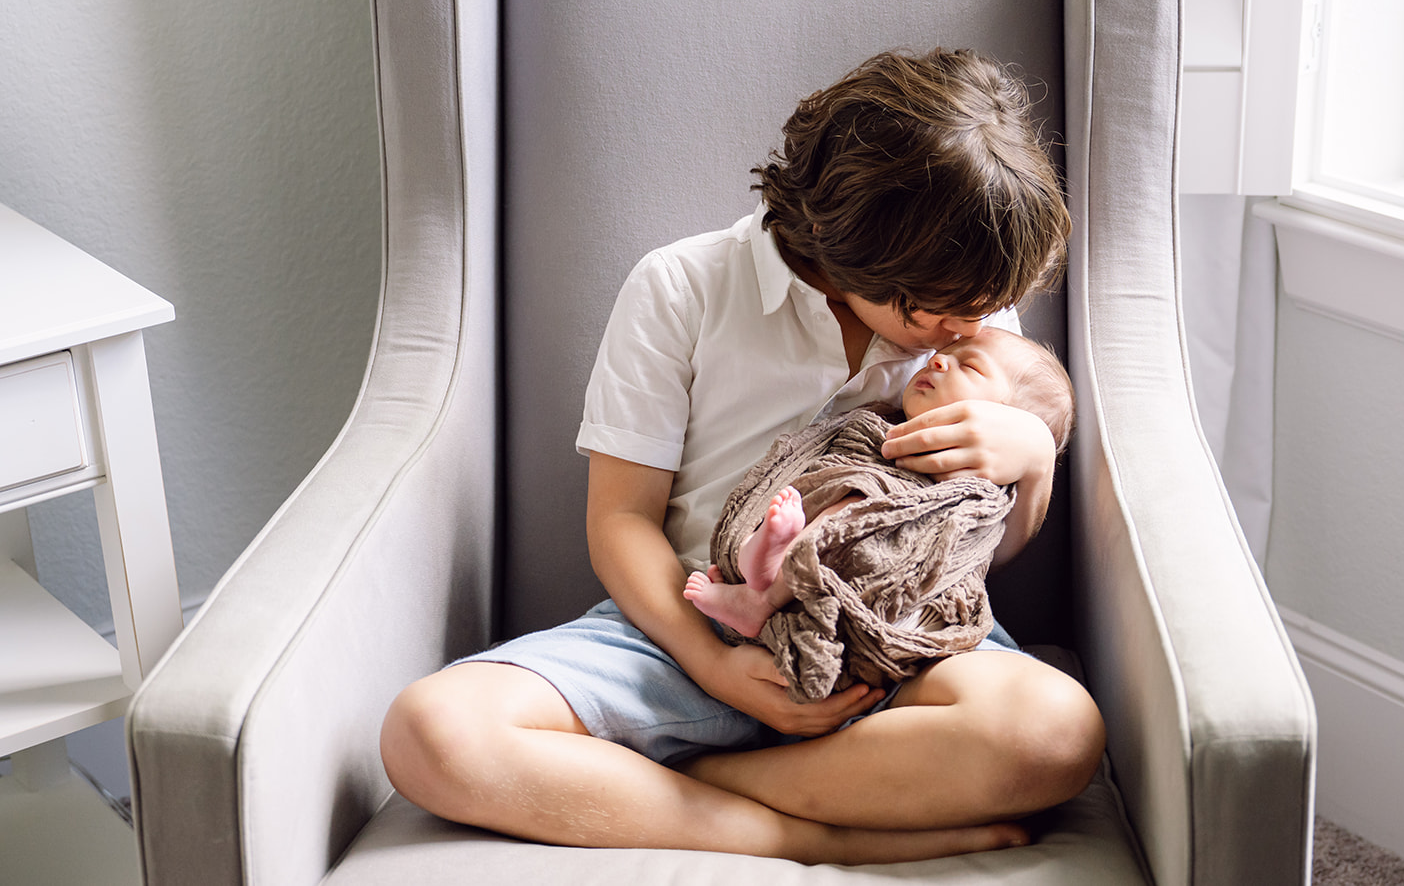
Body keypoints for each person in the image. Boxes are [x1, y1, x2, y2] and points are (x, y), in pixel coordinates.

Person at [379, 48, 1106, 865]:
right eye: (941, 312)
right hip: (693, 625)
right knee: (429, 731)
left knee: (1058, 730)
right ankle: (800, 829)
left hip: (893, 637)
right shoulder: (681, 287)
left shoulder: (970, 311)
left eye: (980, 312)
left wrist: (1034, 458)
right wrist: (711, 666)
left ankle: (701, 777)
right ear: (856, 252)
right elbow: (620, 519)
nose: (966, 329)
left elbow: (979, 546)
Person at [684, 327, 1073, 653]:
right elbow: (829, 455)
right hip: (819, 531)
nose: (937, 360)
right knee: (844, 498)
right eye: (942, 353)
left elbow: (980, 545)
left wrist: (1033, 456)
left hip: (888, 590)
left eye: (968, 365)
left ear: (1010, 423)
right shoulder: (880, 423)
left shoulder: (990, 481)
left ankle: (765, 594)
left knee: (857, 513)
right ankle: (764, 554)